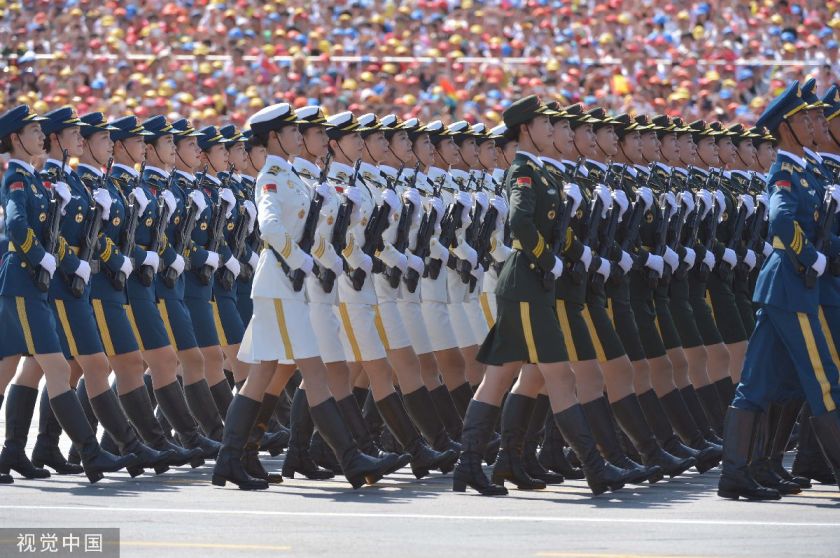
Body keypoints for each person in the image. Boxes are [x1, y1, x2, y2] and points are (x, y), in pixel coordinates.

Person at [214, 103, 401, 490]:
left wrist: (326, 262)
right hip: (280, 285)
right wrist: (302, 261)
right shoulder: (272, 176)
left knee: (263, 375)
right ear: (273, 137)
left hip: (287, 287)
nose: (300, 137)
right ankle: (351, 459)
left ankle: (232, 458)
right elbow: (269, 226)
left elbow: (313, 233)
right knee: (311, 371)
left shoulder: (294, 177)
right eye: (292, 131)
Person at [454, 96, 633, 496]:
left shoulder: (542, 173)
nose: (553, 129)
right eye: (544, 123)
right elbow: (519, 222)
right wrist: (545, 257)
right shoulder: (522, 170)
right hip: (527, 282)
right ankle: (595, 469)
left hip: (530, 284)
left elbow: (556, 227)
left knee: (500, 377)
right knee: (559, 377)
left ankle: (480, 464)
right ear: (524, 130)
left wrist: (574, 253)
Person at [0, 104, 138, 484]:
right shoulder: (17, 178)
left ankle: (12, 451)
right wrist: (44, 257)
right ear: (15, 139)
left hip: (34, 281)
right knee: (54, 367)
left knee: (15, 369)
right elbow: (16, 225)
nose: (40, 136)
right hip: (24, 279)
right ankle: (92, 455)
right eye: (33, 131)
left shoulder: (34, 178)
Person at [719, 81, 840, 500]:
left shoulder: (807, 169)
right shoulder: (784, 171)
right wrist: (815, 260)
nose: (815, 122)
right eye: (806, 117)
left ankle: (736, 472)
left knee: (755, 384)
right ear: (786, 127)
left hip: (784, 289)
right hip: (792, 286)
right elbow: (782, 225)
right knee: (825, 381)